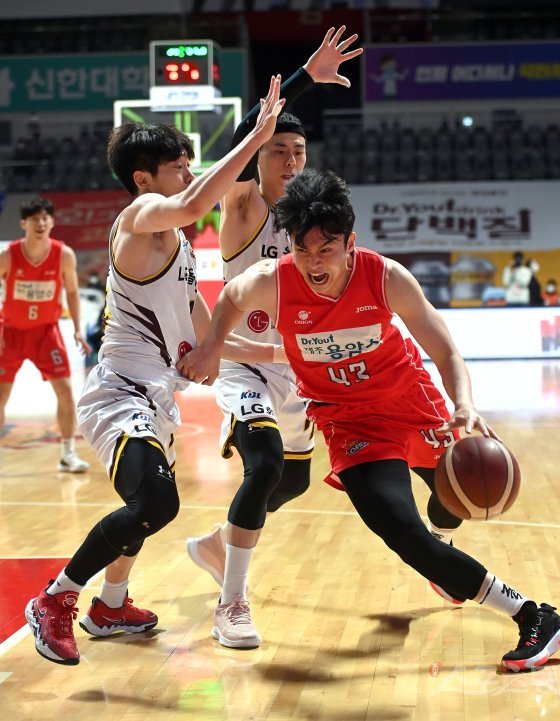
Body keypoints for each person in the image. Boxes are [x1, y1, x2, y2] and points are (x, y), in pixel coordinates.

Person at [177, 168, 560, 672]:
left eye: (327, 249)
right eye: (303, 249)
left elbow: (444, 349)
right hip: (350, 423)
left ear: (350, 243)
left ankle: (444, 555)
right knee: (404, 534)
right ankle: (534, 616)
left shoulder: (386, 277)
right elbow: (231, 298)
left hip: (411, 402)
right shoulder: (272, 282)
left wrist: (465, 404)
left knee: (453, 504)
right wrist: (212, 346)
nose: (314, 262)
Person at [24, 76, 286, 666]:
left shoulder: (182, 247)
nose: (189, 175)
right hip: (119, 393)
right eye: (179, 167)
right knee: (155, 502)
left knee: (144, 507)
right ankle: (56, 598)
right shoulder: (138, 215)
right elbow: (195, 204)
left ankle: (111, 605)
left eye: (190, 165)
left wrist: (284, 356)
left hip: (156, 396)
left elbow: (209, 342)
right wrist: (254, 139)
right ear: (144, 180)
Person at [184, 26, 366, 650]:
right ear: (259, 156)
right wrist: (303, 79)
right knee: (262, 466)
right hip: (242, 365)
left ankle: (218, 543)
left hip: (296, 367)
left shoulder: (310, 223)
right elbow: (243, 140)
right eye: (278, 150)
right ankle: (232, 603)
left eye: (299, 152)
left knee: (291, 481)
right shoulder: (241, 205)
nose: (290, 161)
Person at [0, 197, 91, 471]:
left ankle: (68, 455)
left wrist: (77, 329)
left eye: (45, 218)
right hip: (11, 333)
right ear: (23, 223)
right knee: (1, 396)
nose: (40, 223)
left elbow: (72, 291)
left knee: (65, 391)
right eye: (34, 219)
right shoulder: (8, 255)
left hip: (46, 333)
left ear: (52, 222)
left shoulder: (64, 255)